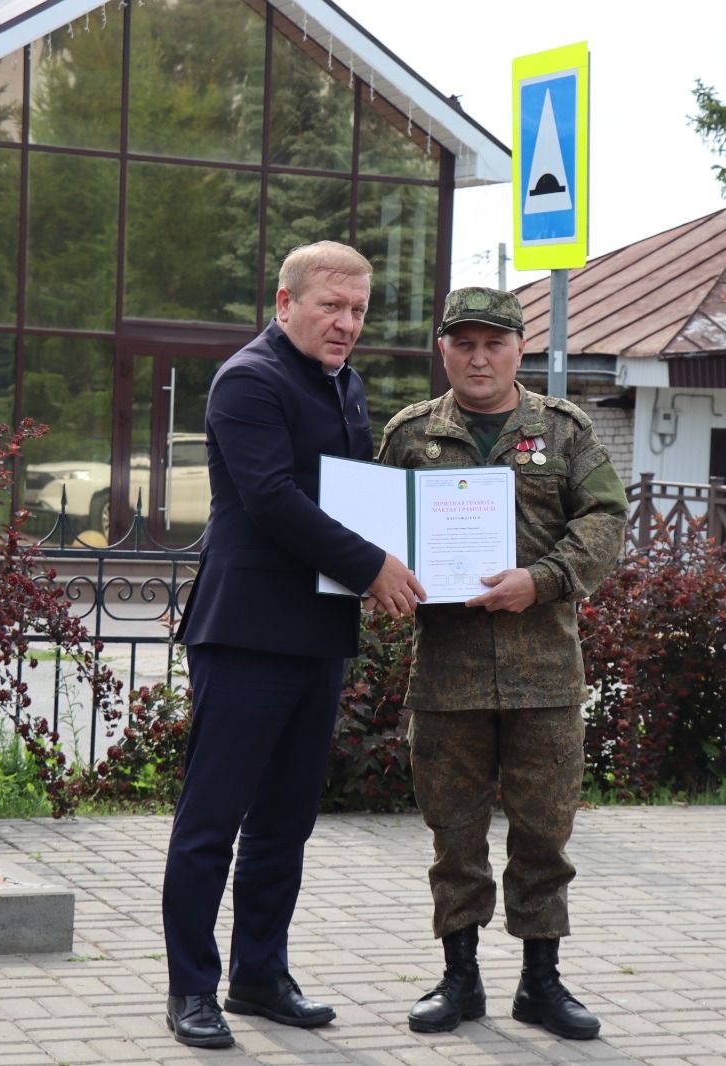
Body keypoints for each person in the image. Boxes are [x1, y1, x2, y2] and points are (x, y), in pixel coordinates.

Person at [162, 241, 425, 1049]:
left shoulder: (345, 384)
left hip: (318, 631)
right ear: (285, 303)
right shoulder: (250, 379)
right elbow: (273, 499)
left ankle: (261, 976)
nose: (347, 324)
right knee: (213, 820)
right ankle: (191, 992)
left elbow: (351, 498)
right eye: (331, 307)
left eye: (358, 311)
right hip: (244, 633)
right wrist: (374, 564)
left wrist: (404, 554)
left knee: (285, 822)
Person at [375, 287, 628, 1040]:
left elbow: (606, 518)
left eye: (494, 343)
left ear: (520, 348)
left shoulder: (563, 431)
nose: (478, 357)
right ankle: (460, 981)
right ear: (443, 349)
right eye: (464, 343)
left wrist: (540, 580)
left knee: (544, 832)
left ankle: (541, 984)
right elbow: (372, 528)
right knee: (453, 834)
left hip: (543, 674)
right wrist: (379, 572)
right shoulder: (410, 436)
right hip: (447, 673)